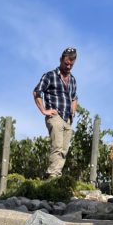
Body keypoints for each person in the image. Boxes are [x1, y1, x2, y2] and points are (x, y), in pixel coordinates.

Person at [33, 47, 78, 178]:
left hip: (67, 118)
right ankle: (52, 177)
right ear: (61, 60)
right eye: (66, 63)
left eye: (71, 64)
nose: (68, 66)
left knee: (64, 150)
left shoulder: (73, 80)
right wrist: (43, 110)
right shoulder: (50, 76)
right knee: (57, 147)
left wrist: (73, 112)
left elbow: (74, 97)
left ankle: (56, 176)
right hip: (55, 115)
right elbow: (37, 92)